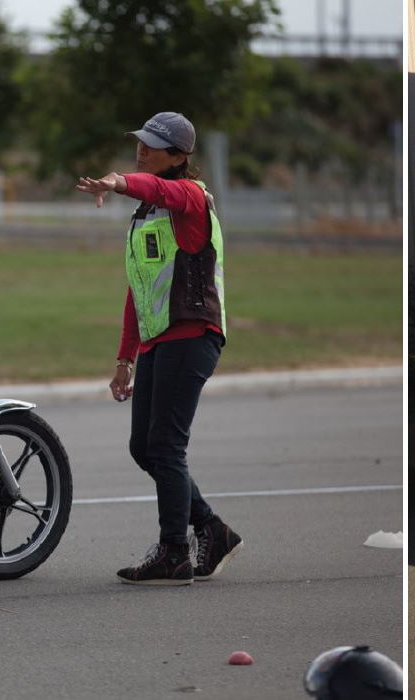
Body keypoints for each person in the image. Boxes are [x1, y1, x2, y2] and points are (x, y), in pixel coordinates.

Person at [75, 112, 243, 586]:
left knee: (166, 446)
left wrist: (116, 180)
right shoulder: (147, 212)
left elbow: (156, 189)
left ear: (179, 156)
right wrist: (124, 358)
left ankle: (174, 551)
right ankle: (211, 527)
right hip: (157, 341)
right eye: (140, 142)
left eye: (153, 145)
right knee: (143, 447)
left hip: (192, 337)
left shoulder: (189, 195)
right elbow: (140, 287)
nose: (142, 149)